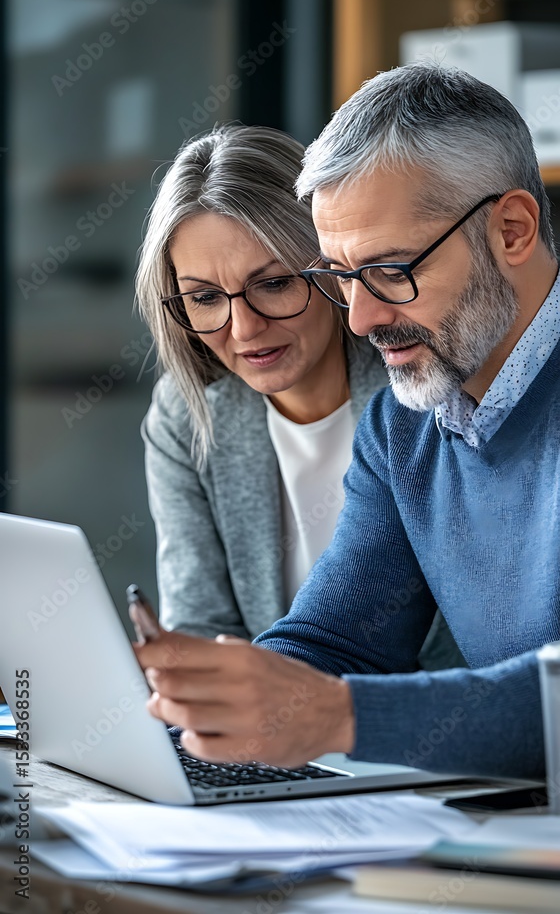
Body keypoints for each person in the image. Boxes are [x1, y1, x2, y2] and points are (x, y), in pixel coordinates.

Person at [136, 64, 557, 780]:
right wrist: (192, 719)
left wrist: (337, 716)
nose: (360, 320)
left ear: (512, 230)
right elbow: (338, 639)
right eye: (341, 278)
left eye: (392, 271)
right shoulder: (407, 423)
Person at [136, 125, 395, 639]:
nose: (245, 328)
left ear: (332, 268)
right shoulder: (186, 417)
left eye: (274, 283)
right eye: (206, 297)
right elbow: (198, 628)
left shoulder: (419, 382)